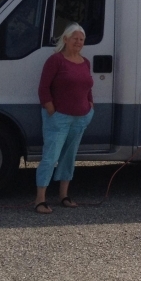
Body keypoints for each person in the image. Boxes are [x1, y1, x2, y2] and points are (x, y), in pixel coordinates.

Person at [35, 23, 94, 213]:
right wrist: (51, 109)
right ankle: (40, 199)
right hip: (58, 117)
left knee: (69, 157)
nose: (78, 42)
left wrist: (90, 105)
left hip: (81, 117)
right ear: (66, 39)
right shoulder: (56, 60)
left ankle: (64, 195)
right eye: (75, 38)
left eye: (82, 39)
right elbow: (44, 88)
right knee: (50, 157)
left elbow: (88, 87)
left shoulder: (85, 62)